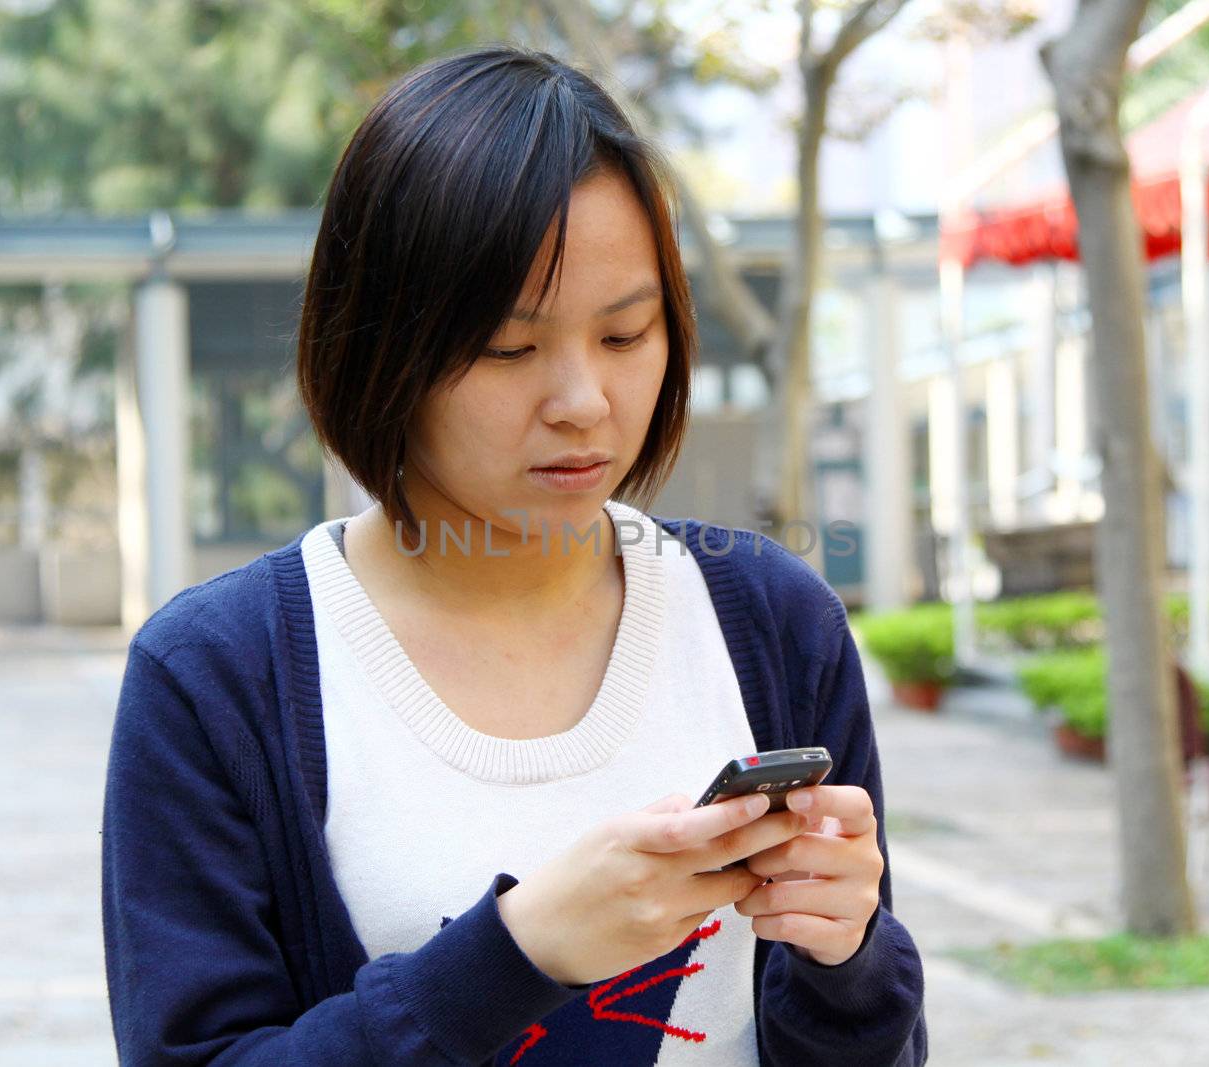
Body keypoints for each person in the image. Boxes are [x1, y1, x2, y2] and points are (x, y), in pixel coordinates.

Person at [100, 44, 928, 1067]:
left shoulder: (771, 620)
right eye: (507, 348)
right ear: (380, 346)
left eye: (626, 336)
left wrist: (847, 957)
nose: (582, 402)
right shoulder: (219, 672)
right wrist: (520, 951)